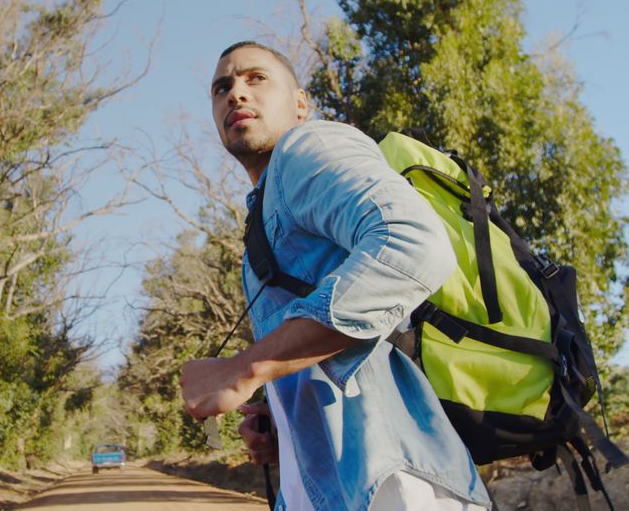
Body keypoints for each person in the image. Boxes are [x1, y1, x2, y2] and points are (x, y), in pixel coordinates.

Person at [180, 41, 492, 511]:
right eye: (222, 87)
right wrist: (281, 422)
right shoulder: (267, 208)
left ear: (301, 104)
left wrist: (244, 369)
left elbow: (414, 244)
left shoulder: (309, 147)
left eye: (255, 78)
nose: (236, 94)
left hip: (391, 484)